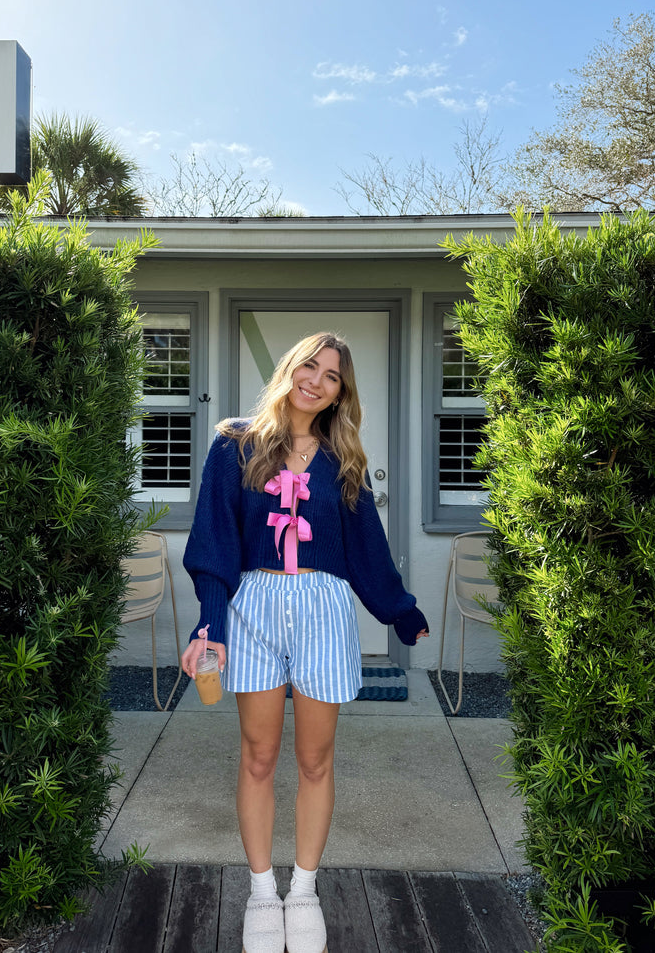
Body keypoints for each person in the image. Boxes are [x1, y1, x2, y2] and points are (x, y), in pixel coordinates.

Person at [181, 332, 429, 953]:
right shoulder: (234, 443)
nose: (315, 380)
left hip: (322, 608)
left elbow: (367, 549)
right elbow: (214, 542)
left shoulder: (343, 461)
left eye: (332, 375)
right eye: (309, 366)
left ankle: (304, 891)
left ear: (341, 393)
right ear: (290, 367)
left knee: (315, 760)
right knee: (258, 756)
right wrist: (210, 623)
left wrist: (399, 611)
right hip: (254, 606)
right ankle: (263, 892)